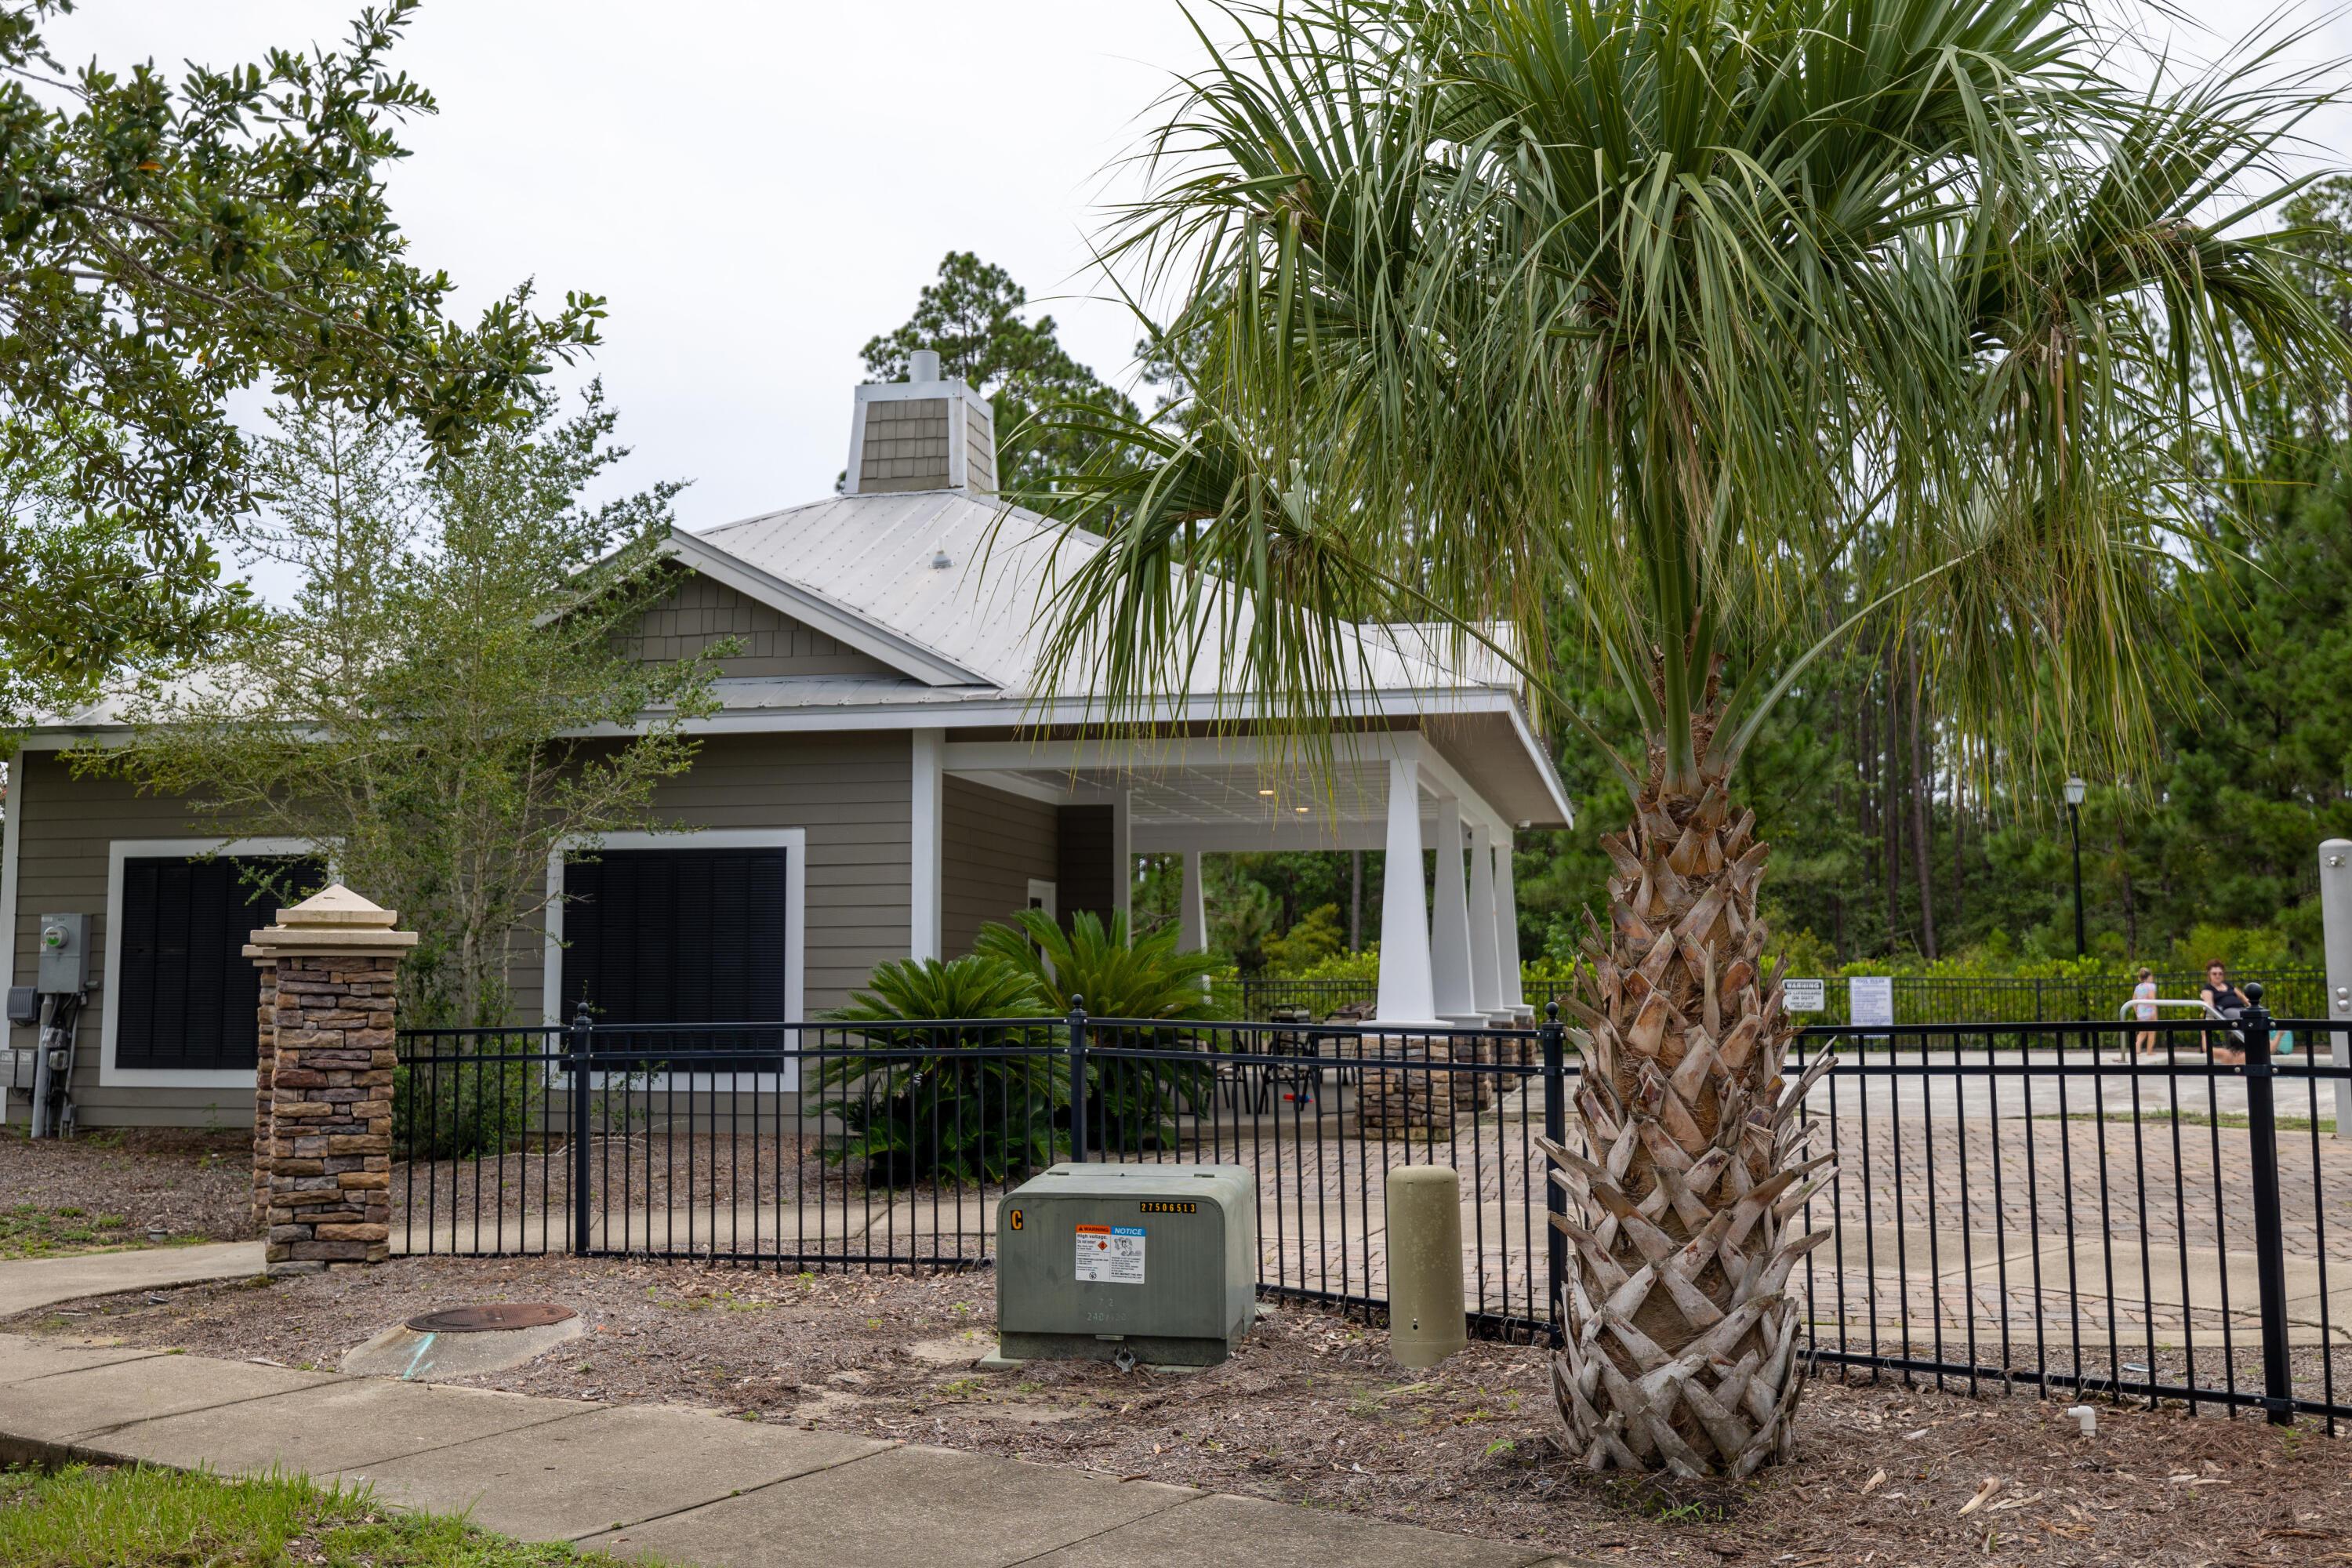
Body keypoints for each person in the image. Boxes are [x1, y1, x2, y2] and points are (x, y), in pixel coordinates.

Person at [2200, 960, 2248, 1065]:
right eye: (2214, 974)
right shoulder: (2207, 988)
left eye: (2220, 974)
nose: (2218, 976)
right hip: (2227, 1011)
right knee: (2246, 1020)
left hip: (2242, 1009)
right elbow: (2209, 1004)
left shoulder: (2229, 986)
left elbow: (2244, 998)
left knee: (2257, 1018)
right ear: (2209, 975)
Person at [2132, 967, 2160, 1058]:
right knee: (2151, 1032)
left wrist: (2136, 1012)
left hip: (2140, 1012)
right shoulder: (2151, 986)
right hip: (2150, 1011)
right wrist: (2155, 1012)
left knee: (2142, 1032)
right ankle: (2149, 1050)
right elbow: (2152, 999)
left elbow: (2134, 1000)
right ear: (2150, 976)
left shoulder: (2138, 987)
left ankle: (2137, 1044)